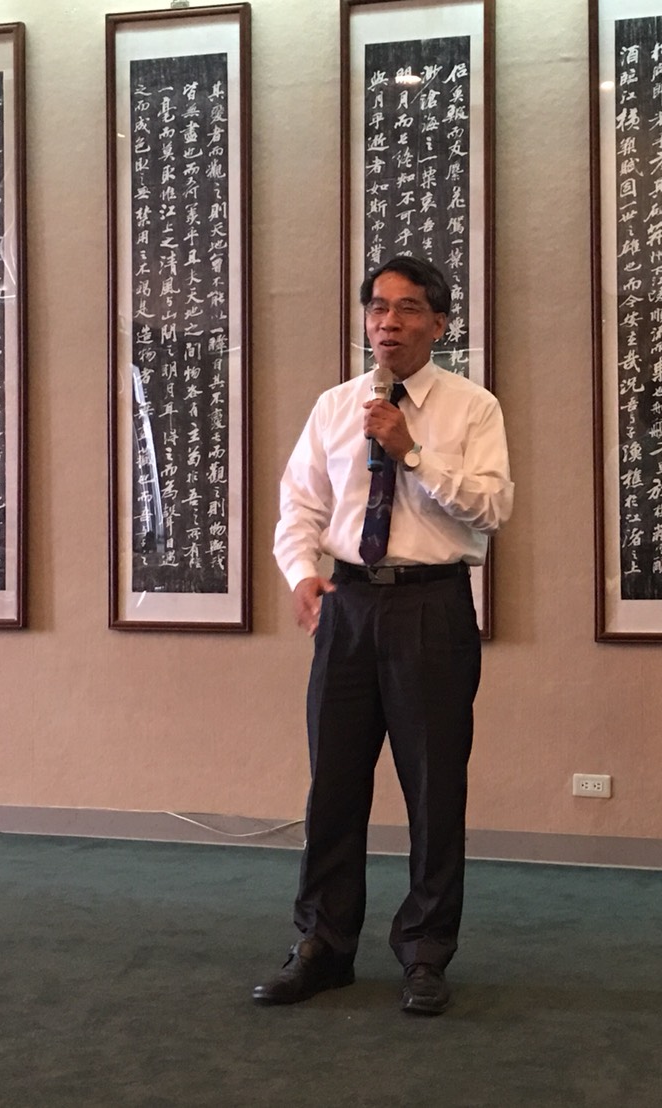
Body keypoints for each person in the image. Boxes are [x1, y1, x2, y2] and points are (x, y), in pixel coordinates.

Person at [257, 255, 513, 1016]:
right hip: (346, 606)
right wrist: (301, 574)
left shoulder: (473, 408)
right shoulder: (335, 405)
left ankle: (426, 952)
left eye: (406, 310)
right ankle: (323, 945)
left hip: (431, 606)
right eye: (376, 308)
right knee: (333, 783)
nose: (387, 323)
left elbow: (492, 509)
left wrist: (413, 453)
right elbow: (299, 506)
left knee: (433, 786)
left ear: (439, 323)